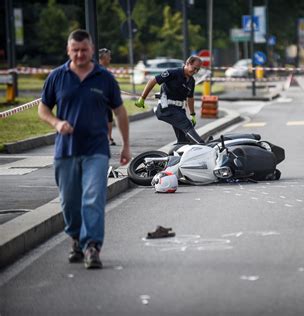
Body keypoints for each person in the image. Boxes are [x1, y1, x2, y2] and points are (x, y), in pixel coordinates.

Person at [38, 29, 131, 269]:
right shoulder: (57, 77)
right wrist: (57, 123)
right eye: (75, 50)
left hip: (96, 149)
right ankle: (76, 240)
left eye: (84, 50)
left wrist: (126, 146)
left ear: (92, 50)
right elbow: (43, 109)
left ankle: (92, 246)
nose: (80, 55)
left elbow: (120, 112)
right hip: (66, 150)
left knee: (92, 198)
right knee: (69, 202)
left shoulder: (105, 78)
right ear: (69, 51)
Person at [134, 56, 204, 144]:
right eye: (194, 68)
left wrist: (192, 114)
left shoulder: (191, 81)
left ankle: (177, 154)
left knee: (184, 140)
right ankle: (202, 144)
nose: (195, 71)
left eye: (198, 70)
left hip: (179, 110)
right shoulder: (173, 73)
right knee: (187, 126)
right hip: (166, 108)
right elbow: (153, 81)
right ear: (188, 63)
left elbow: (190, 98)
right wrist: (142, 98)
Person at [98, 48, 116, 146]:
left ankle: (108, 138)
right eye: (108, 56)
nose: (110, 58)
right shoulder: (96, 68)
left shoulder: (105, 70)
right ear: (102, 58)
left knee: (109, 117)